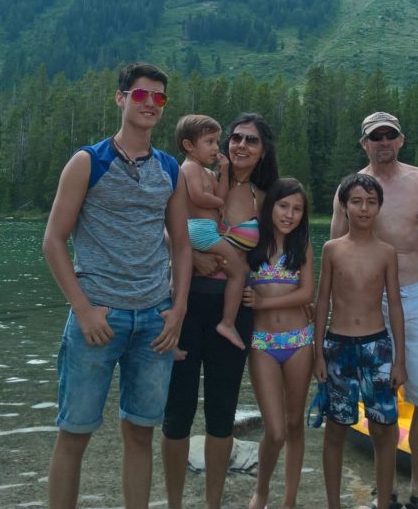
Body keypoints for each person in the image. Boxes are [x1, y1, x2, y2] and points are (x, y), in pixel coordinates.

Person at [41, 62, 193, 509]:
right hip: (98, 317)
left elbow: (182, 246)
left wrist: (178, 309)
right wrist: (83, 309)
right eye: (142, 95)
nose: (150, 104)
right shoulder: (89, 162)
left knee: (140, 433)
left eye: (159, 98)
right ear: (121, 98)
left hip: (154, 321)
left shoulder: (169, 168)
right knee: (74, 433)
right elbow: (53, 240)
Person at [162, 113, 280, 509]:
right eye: (235, 138)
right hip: (185, 303)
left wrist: (267, 300)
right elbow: (161, 224)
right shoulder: (198, 177)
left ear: (264, 150)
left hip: (234, 314)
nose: (240, 145)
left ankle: (213, 503)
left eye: (251, 140)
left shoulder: (269, 199)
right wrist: (192, 255)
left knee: (221, 411)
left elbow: (286, 258)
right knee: (176, 413)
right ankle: (175, 503)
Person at [330, 112, 418, 509]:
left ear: (401, 140)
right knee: (379, 401)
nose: (382, 141)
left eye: (389, 135)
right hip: (363, 304)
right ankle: (386, 491)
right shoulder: (351, 189)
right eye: (374, 136)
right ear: (364, 143)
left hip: (413, 295)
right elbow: (334, 249)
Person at [316, 172, 407, 509]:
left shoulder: (386, 252)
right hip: (338, 346)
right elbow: (322, 302)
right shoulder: (331, 249)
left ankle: (383, 501)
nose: (364, 208)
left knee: (384, 429)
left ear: (379, 207)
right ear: (345, 205)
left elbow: (395, 305)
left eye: (371, 202)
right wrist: (318, 355)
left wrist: (399, 360)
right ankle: (333, 503)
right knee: (336, 428)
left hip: (377, 348)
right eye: (356, 201)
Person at [242, 177, 316, 509]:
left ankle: (289, 500)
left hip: (300, 341)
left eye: (297, 209)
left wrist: (262, 303)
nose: (289, 214)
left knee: (295, 422)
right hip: (262, 343)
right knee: (274, 430)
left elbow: (306, 293)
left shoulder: (302, 246)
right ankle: (261, 490)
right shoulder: (252, 244)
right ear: (270, 206)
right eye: (284, 206)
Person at [175, 113, 249, 351]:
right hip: (198, 228)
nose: (216, 147)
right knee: (240, 271)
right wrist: (217, 204)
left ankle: (174, 336)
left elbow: (222, 195)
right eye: (209, 142)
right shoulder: (189, 168)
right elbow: (199, 197)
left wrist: (224, 171)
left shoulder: (207, 171)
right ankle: (227, 323)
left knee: (180, 283)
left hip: (204, 230)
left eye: (217, 142)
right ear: (188, 145)